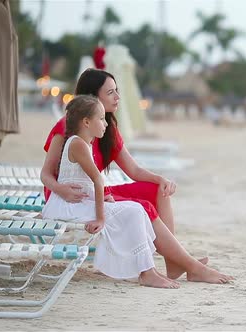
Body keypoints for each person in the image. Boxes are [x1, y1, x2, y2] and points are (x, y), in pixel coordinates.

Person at [41, 69, 232, 283]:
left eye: (117, 91)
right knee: (144, 207)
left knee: (157, 190)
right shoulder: (66, 128)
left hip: (96, 191)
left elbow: (133, 171)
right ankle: (192, 267)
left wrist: (160, 179)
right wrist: (61, 190)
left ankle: (174, 262)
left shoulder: (107, 128)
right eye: (111, 92)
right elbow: (46, 175)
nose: (117, 97)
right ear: (93, 98)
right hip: (71, 197)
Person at [42, 95, 178, 288]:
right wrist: (100, 218)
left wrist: (103, 199)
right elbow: (98, 179)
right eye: (101, 119)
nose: (106, 124)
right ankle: (146, 272)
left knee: (136, 210)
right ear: (87, 122)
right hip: (66, 207)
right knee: (134, 211)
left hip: (77, 204)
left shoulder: (82, 144)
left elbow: (83, 183)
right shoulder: (78, 144)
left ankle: (149, 270)